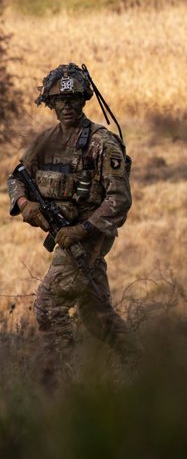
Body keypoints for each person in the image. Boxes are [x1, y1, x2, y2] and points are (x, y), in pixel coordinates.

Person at [8, 63, 133, 378]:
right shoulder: (46, 141)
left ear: (84, 100)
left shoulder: (101, 142)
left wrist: (83, 229)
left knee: (48, 308)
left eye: (75, 99)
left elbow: (119, 199)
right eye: (60, 101)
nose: (67, 106)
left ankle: (69, 380)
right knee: (97, 317)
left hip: (89, 237)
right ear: (50, 104)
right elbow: (16, 177)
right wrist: (25, 204)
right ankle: (144, 368)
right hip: (64, 233)